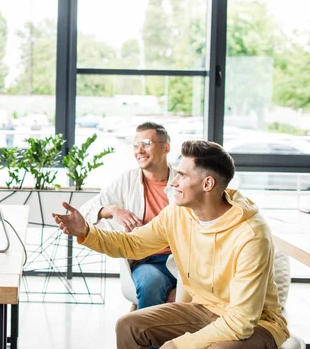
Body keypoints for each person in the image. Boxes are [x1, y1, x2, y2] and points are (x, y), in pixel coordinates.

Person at [54, 140, 289, 348]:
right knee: (129, 325)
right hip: (204, 309)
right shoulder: (177, 214)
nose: (173, 182)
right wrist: (87, 231)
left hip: (258, 324)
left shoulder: (251, 233)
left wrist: (179, 345)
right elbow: (133, 243)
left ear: (207, 184)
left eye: (182, 175)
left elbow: (241, 321)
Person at [79, 122, 177, 308]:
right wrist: (113, 210)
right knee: (150, 284)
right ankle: (146, 336)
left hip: (185, 261)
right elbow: (85, 210)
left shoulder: (182, 180)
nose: (139, 150)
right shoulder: (127, 180)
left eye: (146, 143)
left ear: (166, 148)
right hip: (149, 261)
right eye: (135, 145)